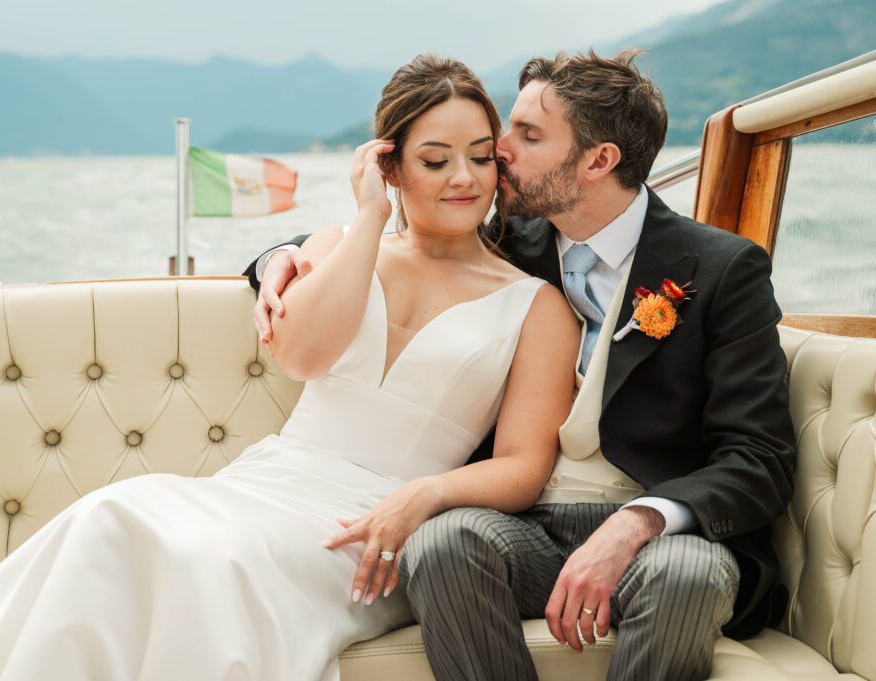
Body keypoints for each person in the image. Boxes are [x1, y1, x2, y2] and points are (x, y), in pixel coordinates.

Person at [0, 55, 579, 681]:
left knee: (213, 560)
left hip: (374, 525)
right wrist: (370, 218)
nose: (464, 178)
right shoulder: (339, 246)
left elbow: (524, 464)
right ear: (391, 166)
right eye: (435, 160)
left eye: (480, 157)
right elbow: (301, 355)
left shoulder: (534, 305)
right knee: (112, 515)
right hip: (270, 480)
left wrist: (429, 495)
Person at [247, 49, 796, 681]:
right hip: (518, 529)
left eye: (528, 135)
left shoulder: (723, 269)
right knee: (443, 544)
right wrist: (275, 262)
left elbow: (760, 457)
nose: (499, 151)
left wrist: (638, 523)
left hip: (657, 539)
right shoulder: (515, 236)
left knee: (690, 573)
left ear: (598, 160)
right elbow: (401, 243)